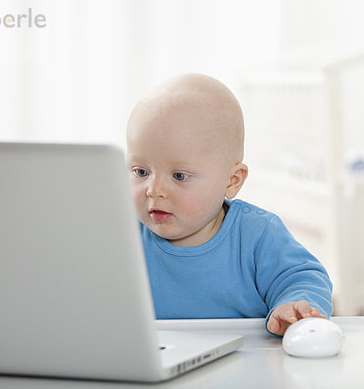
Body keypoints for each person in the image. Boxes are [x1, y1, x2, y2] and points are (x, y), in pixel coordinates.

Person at [125, 73, 333, 336]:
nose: (154, 190)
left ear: (232, 181)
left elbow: (303, 278)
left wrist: (294, 308)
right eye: (141, 172)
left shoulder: (257, 235)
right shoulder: (123, 238)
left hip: (246, 368)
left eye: (179, 176)